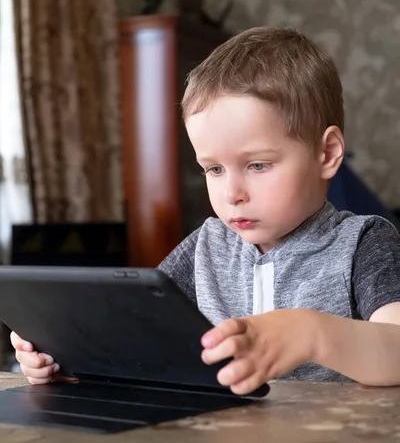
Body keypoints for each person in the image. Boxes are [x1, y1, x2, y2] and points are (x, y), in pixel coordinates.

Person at [11, 27, 400, 394]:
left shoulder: (363, 243)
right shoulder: (207, 248)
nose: (232, 193)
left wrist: (309, 332)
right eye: (213, 169)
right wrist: (65, 358)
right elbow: (135, 332)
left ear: (327, 153)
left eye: (258, 165)